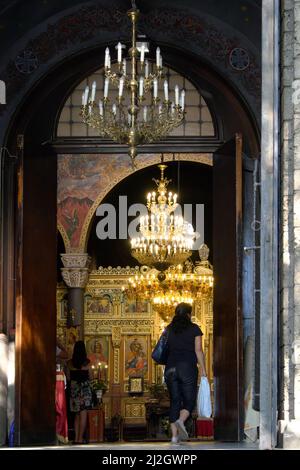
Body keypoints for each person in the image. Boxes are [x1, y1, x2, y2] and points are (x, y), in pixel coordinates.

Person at [163, 302, 207, 445]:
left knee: (175, 401)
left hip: (169, 368)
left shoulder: (168, 329)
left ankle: (174, 437)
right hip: (187, 367)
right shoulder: (194, 329)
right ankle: (181, 421)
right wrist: (204, 370)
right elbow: (198, 351)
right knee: (189, 401)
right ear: (189, 314)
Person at [66, 341, 93, 444]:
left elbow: (68, 377)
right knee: (83, 413)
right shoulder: (87, 363)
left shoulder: (69, 363)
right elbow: (91, 377)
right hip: (85, 390)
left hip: (74, 389)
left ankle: (76, 438)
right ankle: (81, 438)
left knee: (76, 414)